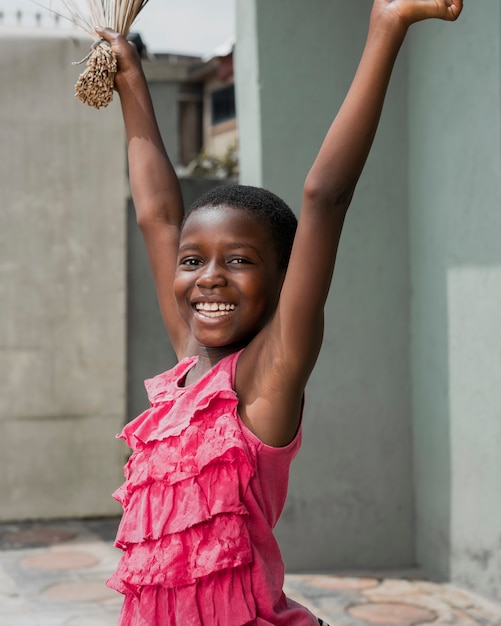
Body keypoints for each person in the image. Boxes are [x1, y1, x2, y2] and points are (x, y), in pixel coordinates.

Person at [98, 1, 462, 624]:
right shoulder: (188, 366)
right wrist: (132, 79)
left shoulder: (266, 379)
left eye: (238, 260)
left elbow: (326, 196)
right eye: (194, 261)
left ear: (284, 280)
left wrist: (386, 26)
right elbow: (157, 214)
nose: (209, 277)